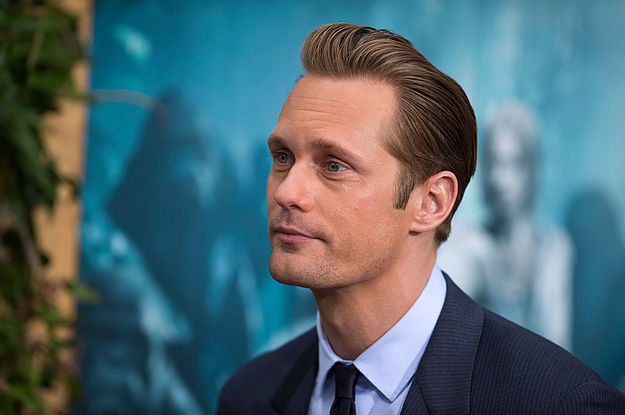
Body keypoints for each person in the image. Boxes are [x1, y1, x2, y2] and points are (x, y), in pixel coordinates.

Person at [217, 22, 625, 414]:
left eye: (334, 165)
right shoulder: (248, 395)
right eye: (283, 157)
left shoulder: (561, 404)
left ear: (431, 202)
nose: (286, 192)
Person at [438, 102, 573, 349]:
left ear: (532, 169)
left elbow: (558, 344)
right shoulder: (469, 243)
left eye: (513, 163)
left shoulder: (554, 248)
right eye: (493, 162)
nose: (499, 179)